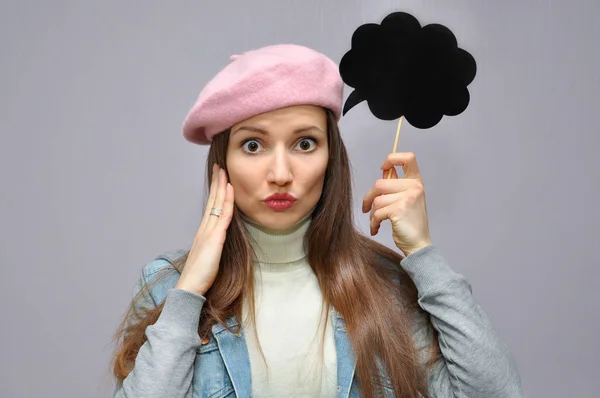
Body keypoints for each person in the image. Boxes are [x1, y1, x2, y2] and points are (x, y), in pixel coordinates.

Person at [111, 44, 523, 398]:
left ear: (331, 158)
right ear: (223, 162)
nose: (280, 172)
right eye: (252, 145)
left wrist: (423, 254)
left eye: (304, 143)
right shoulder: (166, 285)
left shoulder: (388, 286)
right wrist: (189, 293)